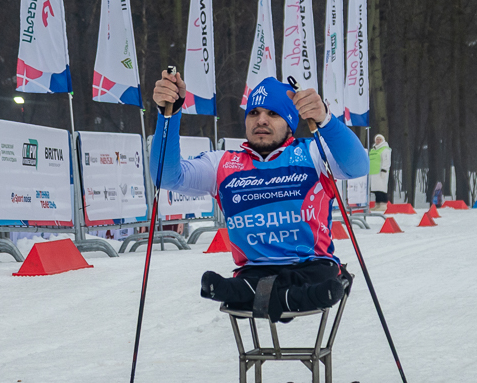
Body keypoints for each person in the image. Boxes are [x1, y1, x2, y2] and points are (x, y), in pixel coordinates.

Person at [150, 71, 370, 321]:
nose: (261, 120)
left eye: (273, 114)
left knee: (314, 277)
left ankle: (252, 293)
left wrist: (325, 120)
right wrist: (170, 113)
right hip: (255, 269)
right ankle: (283, 295)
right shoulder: (223, 163)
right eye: (254, 113)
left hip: (311, 265)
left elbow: (358, 166)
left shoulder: (313, 154)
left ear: (289, 122)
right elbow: (166, 177)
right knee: (256, 280)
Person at [369, 134, 391, 212]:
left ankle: (383, 204)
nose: (378, 141)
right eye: (377, 139)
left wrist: (384, 170)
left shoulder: (385, 149)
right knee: (376, 190)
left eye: (379, 139)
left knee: (382, 189)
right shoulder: (373, 149)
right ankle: (377, 204)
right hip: (373, 173)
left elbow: (386, 160)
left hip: (381, 172)